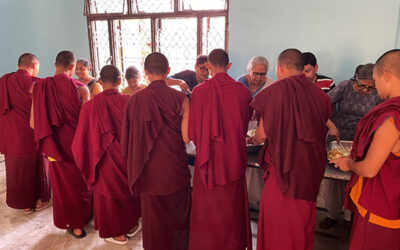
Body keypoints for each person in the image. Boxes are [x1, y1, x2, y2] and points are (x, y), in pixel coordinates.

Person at [251, 48, 331, 250]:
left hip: (283, 172)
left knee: (278, 225)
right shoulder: (320, 95)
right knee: (301, 224)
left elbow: (261, 134)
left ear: (278, 67)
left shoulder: (275, 92)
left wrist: (253, 140)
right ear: (301, 68)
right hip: (309, 171)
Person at [331, 49, 400, 250]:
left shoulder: (391, 117)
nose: (374, 89)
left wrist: (348, 163)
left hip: (381, 205)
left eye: (375, 82)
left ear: (385, 75)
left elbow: (370, 169)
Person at [121, 52, 191, 250]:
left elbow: (126, 140)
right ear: (168, 72)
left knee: (153, 219)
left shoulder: (134, 100)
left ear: (145, 73)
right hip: (174, 168)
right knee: (178, 213)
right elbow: (186, 137)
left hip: (148, 169)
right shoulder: (182, 99)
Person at [188, 49, 253, 250]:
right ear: (229, 65)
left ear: (208, 65)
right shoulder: (243, 91)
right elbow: (244, 124)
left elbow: (192, 132)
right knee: (230, 205)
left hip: (208, 159)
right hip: (233, 157)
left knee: (206, 206)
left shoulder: (198, 91)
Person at [72, 65, 141, 245]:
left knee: (109, 193)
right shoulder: (131, 102)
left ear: (100, 82)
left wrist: (87, 158)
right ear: (120, 81)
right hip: (127, 157)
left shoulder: (89, 107)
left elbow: (81, 140)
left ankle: (117, 232)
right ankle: (131, 224)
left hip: (102, 160)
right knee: (128, 189)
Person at [31, 51, 91, 239]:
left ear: (55, 64)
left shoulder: (39, 87)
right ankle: (85, 216)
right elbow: (86, 125)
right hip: (77, 145)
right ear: (72, 68)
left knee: (63, 186)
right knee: (81, 181)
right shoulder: (82, 89)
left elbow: (33, 123)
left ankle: (73, 224)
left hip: (54, 146)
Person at [319, 63, 381, 230]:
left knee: (356, 179)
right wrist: (329, 123)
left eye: (370, 88)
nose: (366, 91)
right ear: (355, 78)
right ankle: (332, 214)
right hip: (339, 139)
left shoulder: (379, 92)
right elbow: (321, 103)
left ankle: (350, 217)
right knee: (336, 180)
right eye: (362, 86)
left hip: (364, 141)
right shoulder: (345, 86)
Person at [0, 53, 51, 214]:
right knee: (37, 168)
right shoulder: (37, 83)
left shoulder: (4, 81)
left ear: (19, 65)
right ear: (35, 65)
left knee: (17, 171)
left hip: (12, 136)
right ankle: (39, 201)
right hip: (32, 134)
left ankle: (25, 204)